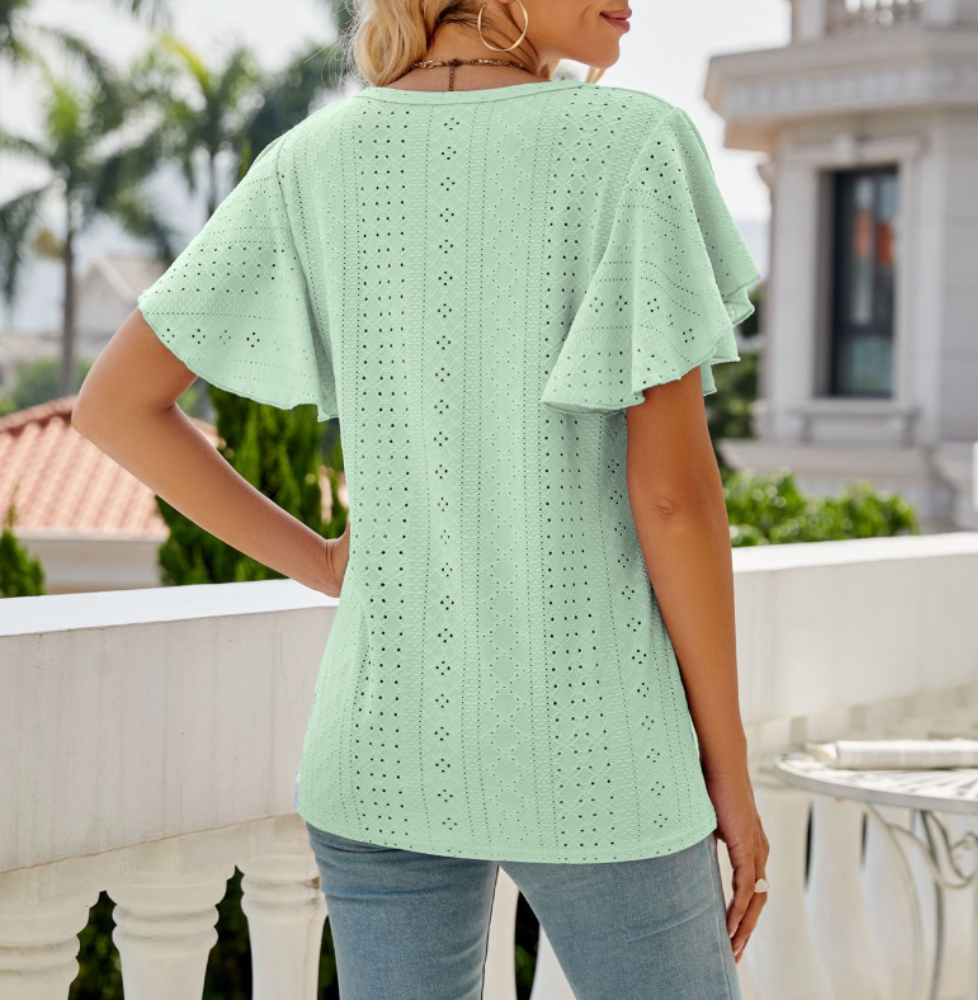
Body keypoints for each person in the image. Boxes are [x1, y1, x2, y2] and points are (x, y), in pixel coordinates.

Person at [73, 0, 771, 996]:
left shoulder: (311, 159)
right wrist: (728, 768)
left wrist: (324, 561)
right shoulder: (633, 144)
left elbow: (114, 406)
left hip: (378, 752)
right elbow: (672, 500)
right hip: (601, 755)